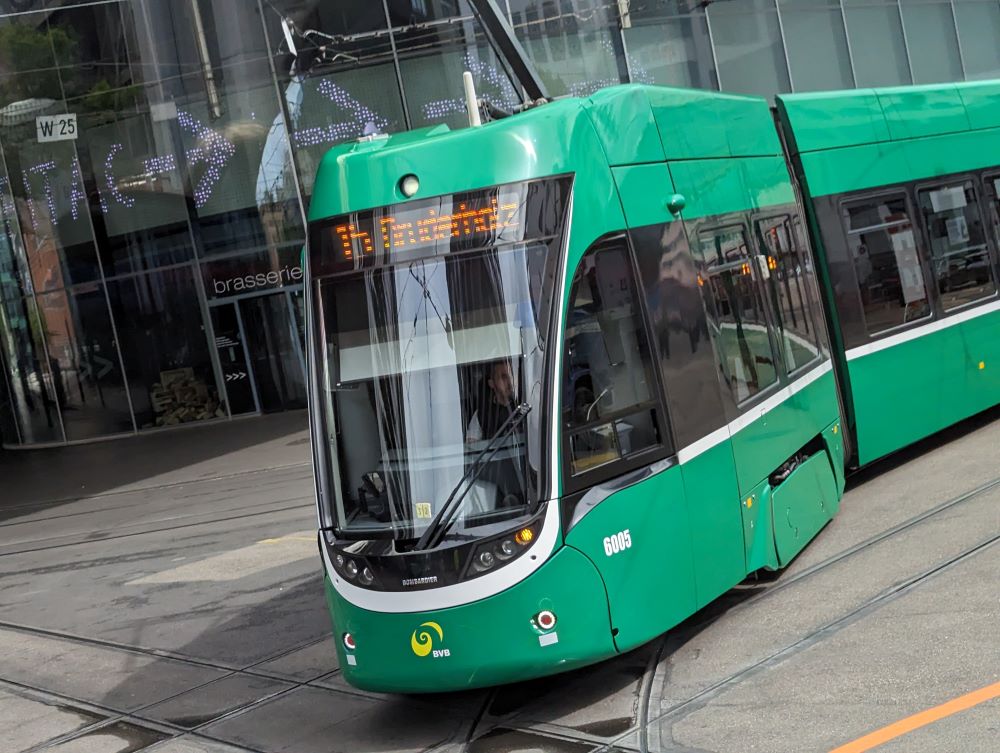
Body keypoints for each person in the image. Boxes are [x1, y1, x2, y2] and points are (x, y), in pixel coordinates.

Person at [466, 360, 516, 443]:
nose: (510, 381)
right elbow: (472, 448)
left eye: (511, 375)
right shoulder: (481, 414)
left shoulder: (524, 406)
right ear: (491, 383)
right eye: (504, 377)